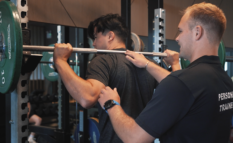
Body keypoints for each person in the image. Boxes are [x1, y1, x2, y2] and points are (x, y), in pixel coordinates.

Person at [98, 2, 233, 143]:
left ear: (197, 32)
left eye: (181, 31)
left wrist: (111, 104)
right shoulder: (225, 81)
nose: (177, 38)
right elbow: (185, 90)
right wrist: (147, 64)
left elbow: (134, 137)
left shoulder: (182, 83)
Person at [53, 14, 157, 143]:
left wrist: (61, 61)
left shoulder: (102, 60)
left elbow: (87, 98)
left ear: (110, 36)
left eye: (96, 38)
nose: (94, 43)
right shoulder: (149, 64)